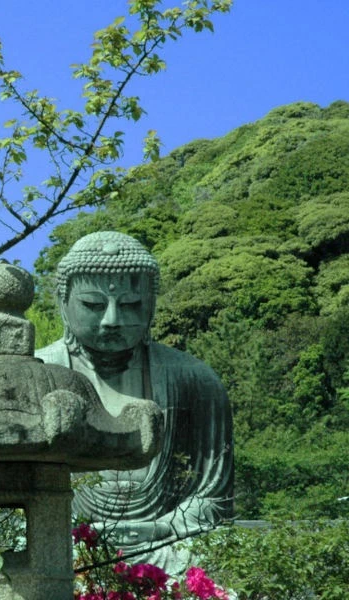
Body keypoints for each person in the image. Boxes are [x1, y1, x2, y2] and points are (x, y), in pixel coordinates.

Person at [36, 231, 233, 573]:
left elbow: (215, 500)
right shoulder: (35, 373)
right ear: (63, 303)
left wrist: (162, 528)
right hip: (62, 543)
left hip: (163, 545)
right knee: (33, 554)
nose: (112, 320)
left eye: (130, 305)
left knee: (213, 553)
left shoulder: (195, 380)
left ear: (151, 304)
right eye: (93, 305)